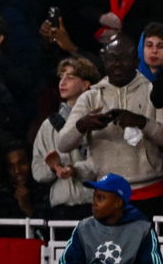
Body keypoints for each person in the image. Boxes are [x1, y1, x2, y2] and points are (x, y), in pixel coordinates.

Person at [57, 36, 163, 219]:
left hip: (150, 191)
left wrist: (143, 123)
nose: (117, 64)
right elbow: (63, 144)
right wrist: (82, 125)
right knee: (110, 248)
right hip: (107, 193)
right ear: (103, 61)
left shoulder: (154, 92)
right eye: (111, 58)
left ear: (136, 61)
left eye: (123, 58)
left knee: (149, 248)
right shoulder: (90, 97)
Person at [58, 173, 162, 264]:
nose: (94, 203)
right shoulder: (84, 227)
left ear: (118, 203)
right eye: (94, 197)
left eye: (100, 198)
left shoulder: (142, 229)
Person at [32, 57, 100, 220]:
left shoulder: (98, 121)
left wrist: (75, 170)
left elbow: (103, 164)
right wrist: (53, 168)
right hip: (61, 208)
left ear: (86, 84)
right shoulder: (49, 125)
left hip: (94, 205)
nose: (62, 82)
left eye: (70, 77)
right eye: (61, 77)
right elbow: (37, 170)